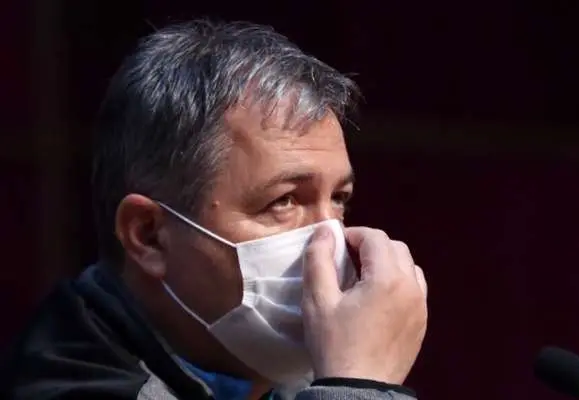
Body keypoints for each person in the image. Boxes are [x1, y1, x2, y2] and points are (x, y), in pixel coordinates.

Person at [1, 20, 428, 400]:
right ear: (149, 235)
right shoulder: (75, 385)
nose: (329, 246)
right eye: (283, 201)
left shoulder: (272, 375)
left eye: (339, 199)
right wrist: (360, 385)